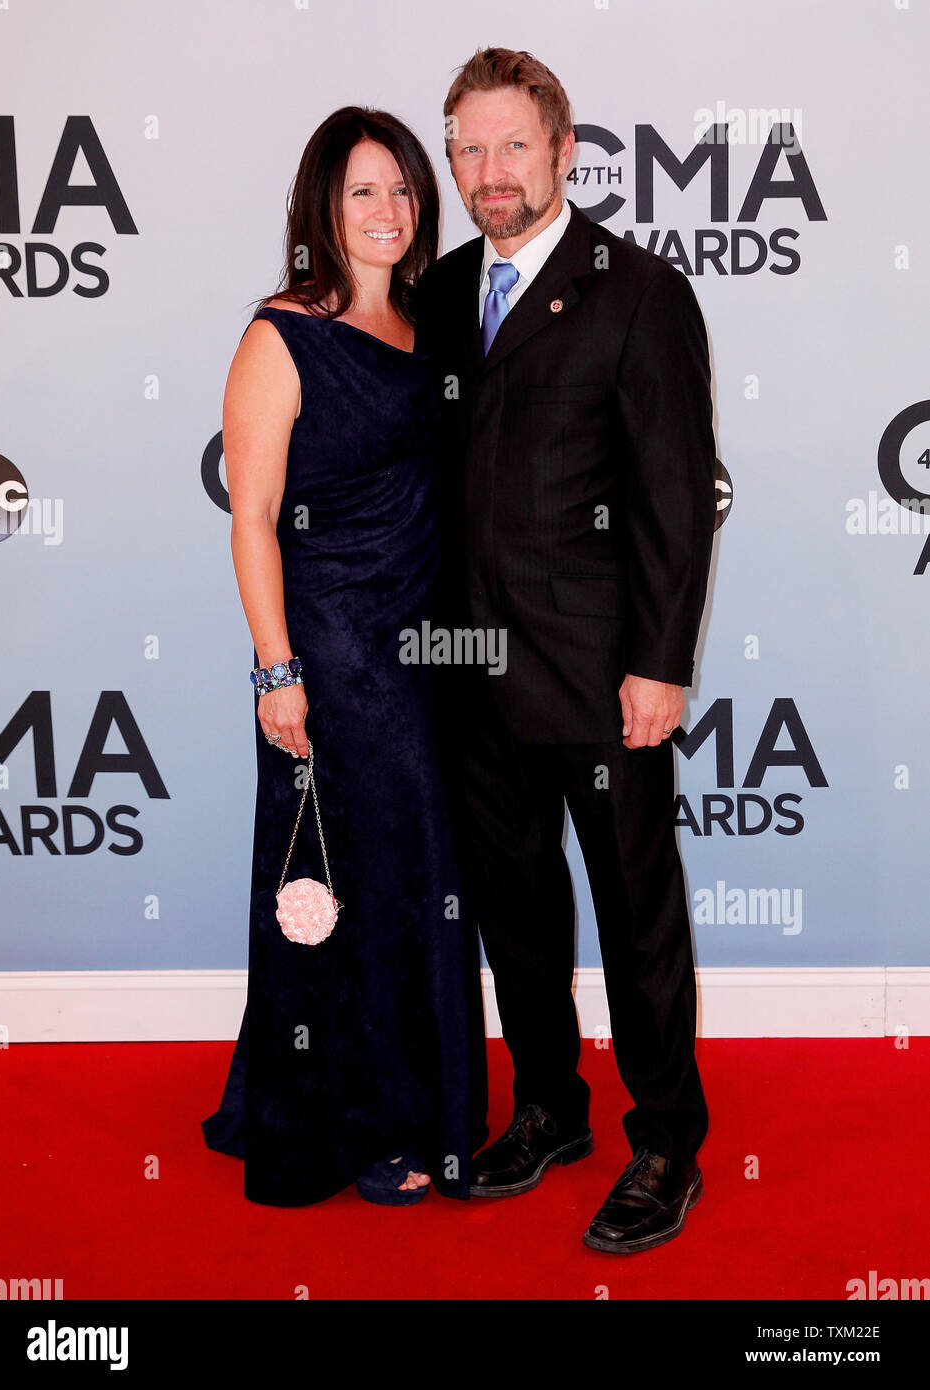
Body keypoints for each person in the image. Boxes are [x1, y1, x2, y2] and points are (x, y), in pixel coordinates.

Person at [414, 48, 716, 1252]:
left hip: (602, 681)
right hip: (467, 671)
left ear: (561, 151)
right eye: (468, 150)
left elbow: (672, 498)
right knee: (515, 913)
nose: (489, 172)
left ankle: (665, 1142)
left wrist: (660, 663)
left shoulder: (636, 292)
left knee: (637, 914)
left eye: (511, 147)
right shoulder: (438, 291)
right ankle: (548, 1106)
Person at [201, 106, 488, 1207]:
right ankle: (356, 1121)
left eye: (404, 190)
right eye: (362, 191)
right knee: (346, 881)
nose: (388, 211)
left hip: (425, 648)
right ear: (322, 208)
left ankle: (405, 1101)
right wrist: (277, 672)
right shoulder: (282, 333)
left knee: (416, 880)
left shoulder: (431, 323)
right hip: (331, 652)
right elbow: (252, 514)